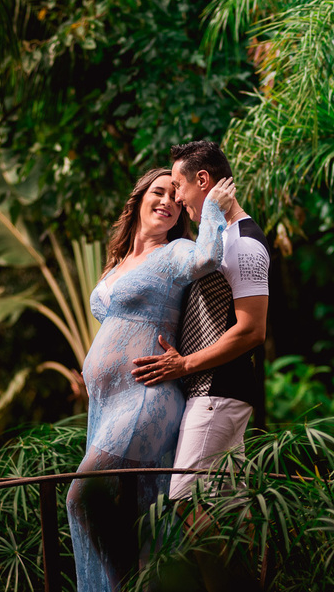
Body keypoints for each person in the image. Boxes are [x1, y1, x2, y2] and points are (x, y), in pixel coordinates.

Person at [67, 167, 236, 592]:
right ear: (139, 198)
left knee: (83, 497)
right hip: (106, 406)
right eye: (157, 192)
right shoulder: (119, 264)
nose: (166, 202)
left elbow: (207, 258)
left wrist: (211, 208)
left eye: (174, 199)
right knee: (129, 515)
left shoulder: (175, 250)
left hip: (147, 398)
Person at [130, 140, 269, 505]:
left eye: (178, 186)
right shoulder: (219, 239)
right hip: (210, 395)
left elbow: (253, 330)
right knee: (227, 515)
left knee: (182, 504)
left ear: (202, 180)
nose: (176, 198)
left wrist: (184, 364)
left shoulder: (243, 243)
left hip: (218, 393)